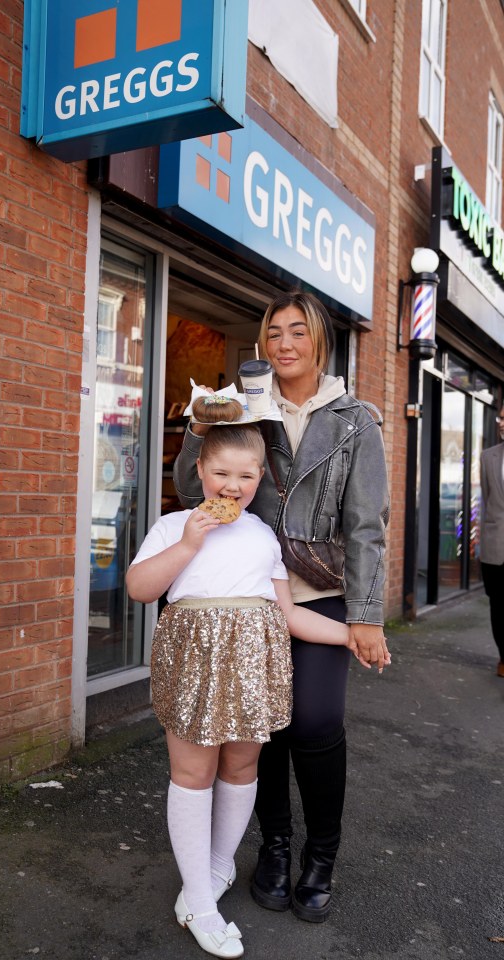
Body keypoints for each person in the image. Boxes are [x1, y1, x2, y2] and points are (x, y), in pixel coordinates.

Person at [173, 290, 390, 923]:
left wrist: (367, 615)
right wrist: (201, 422)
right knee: (258, 729)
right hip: (248, 597)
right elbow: (193, 487)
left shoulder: (356, 418)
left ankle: (321, 856)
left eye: (298, 332)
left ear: (319, 340)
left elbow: (367, 524)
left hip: (321, 594)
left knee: (315, 724)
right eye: (274, 334)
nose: (285, 344)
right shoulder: (243, 409)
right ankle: (274, 846)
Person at [127, 405, 367, 958]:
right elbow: (141, 588)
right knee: (193, 771)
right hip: (193, 661)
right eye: (220, 474)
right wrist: (187, 543)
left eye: (245, 476)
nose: (231, 486)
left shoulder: (264, 536)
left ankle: (214, 871)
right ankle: (202, 906)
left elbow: (288, 614)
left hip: (255, 663)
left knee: (241, 766)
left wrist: (350, 635)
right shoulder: (172, 524)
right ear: (199, 473)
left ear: (261, 479)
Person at [479, 403, 504, 678]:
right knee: (498, 607)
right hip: (496, 547)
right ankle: (503, 657)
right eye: (501, 417)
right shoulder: (488, 457)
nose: (501, 422)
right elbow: (489, 501)